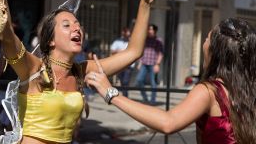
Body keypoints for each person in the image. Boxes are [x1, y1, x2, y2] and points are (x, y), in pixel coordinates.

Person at [0, 0, 160, 144]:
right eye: (67, 25)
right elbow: (6, 35)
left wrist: (145, 3)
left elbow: (133, 52)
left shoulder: (82, 71)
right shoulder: (33, 69)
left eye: (78, 24)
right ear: (50, 40)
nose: (77, 29)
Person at [86, 18, 256, 143]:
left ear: (216, 51)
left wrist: (111, 94)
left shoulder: (210, 91)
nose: (204, 43)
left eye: (207, 39)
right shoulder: (250, 89)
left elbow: (168, 123)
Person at [136, 24, 163, 104]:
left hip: (153, 64)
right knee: (139, 80)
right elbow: (142, 52)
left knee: (153, 83)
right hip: (144, 63)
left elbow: (160, 53)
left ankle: (153, 100)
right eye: (148, 29)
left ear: (154, 31)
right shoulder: (145, 39)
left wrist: (157, 64)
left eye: (151, 29)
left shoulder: (158, 40)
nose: (149, 31)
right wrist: (139, 63)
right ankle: (145, 98)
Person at [110, 27, 134, 97]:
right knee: (122, 81)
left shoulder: (132, 41)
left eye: (128, 32)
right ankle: (124, 95)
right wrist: (119, 51)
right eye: (125, 32)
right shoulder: (117, 41)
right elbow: (112, 51)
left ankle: (125, 96)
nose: (127, 33)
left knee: (125, 81)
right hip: (119, 65)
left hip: (129, 66)